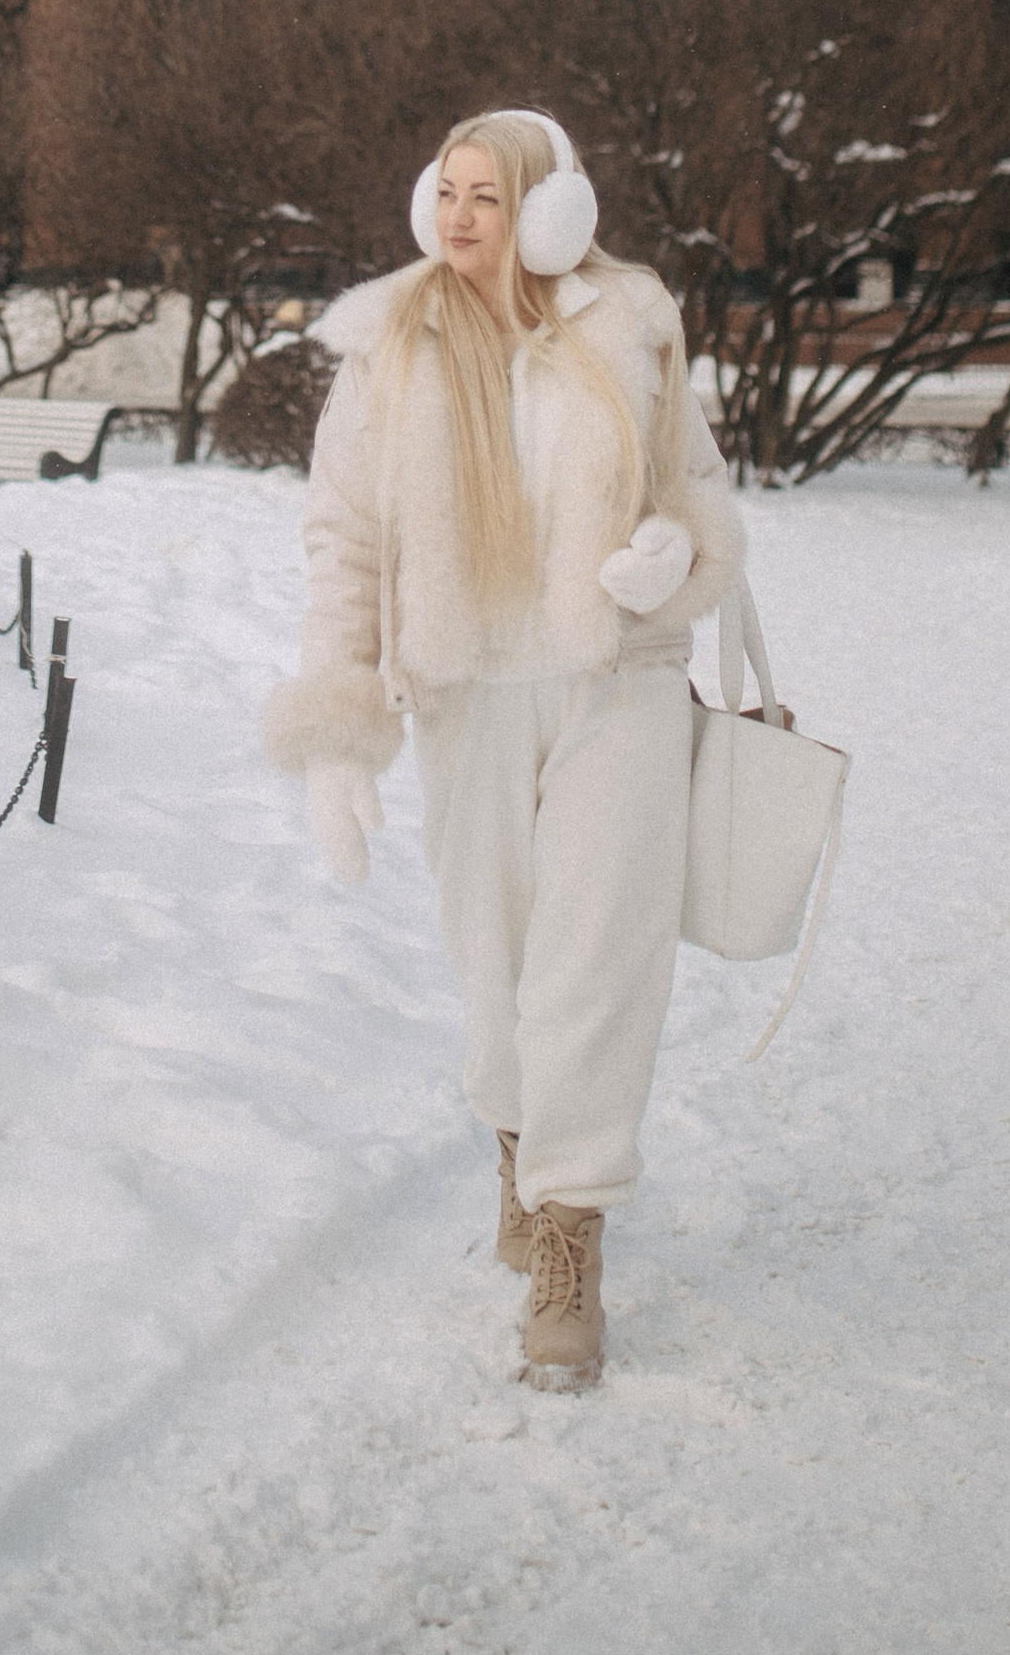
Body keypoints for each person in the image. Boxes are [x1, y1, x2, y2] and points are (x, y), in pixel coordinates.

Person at [264, 109, 745, 1387]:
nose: (462, 216)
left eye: (491, 195)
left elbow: (696, 484)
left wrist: (674, 558)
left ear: (551, 210)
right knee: (499, 961)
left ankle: (570, 1237)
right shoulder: (390, 352)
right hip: (467, 698)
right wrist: (335, 736)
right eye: (450, 192)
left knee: (596, 960)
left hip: (613, 686)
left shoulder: (629, 326)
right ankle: (519, 1152)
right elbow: (344, 541)